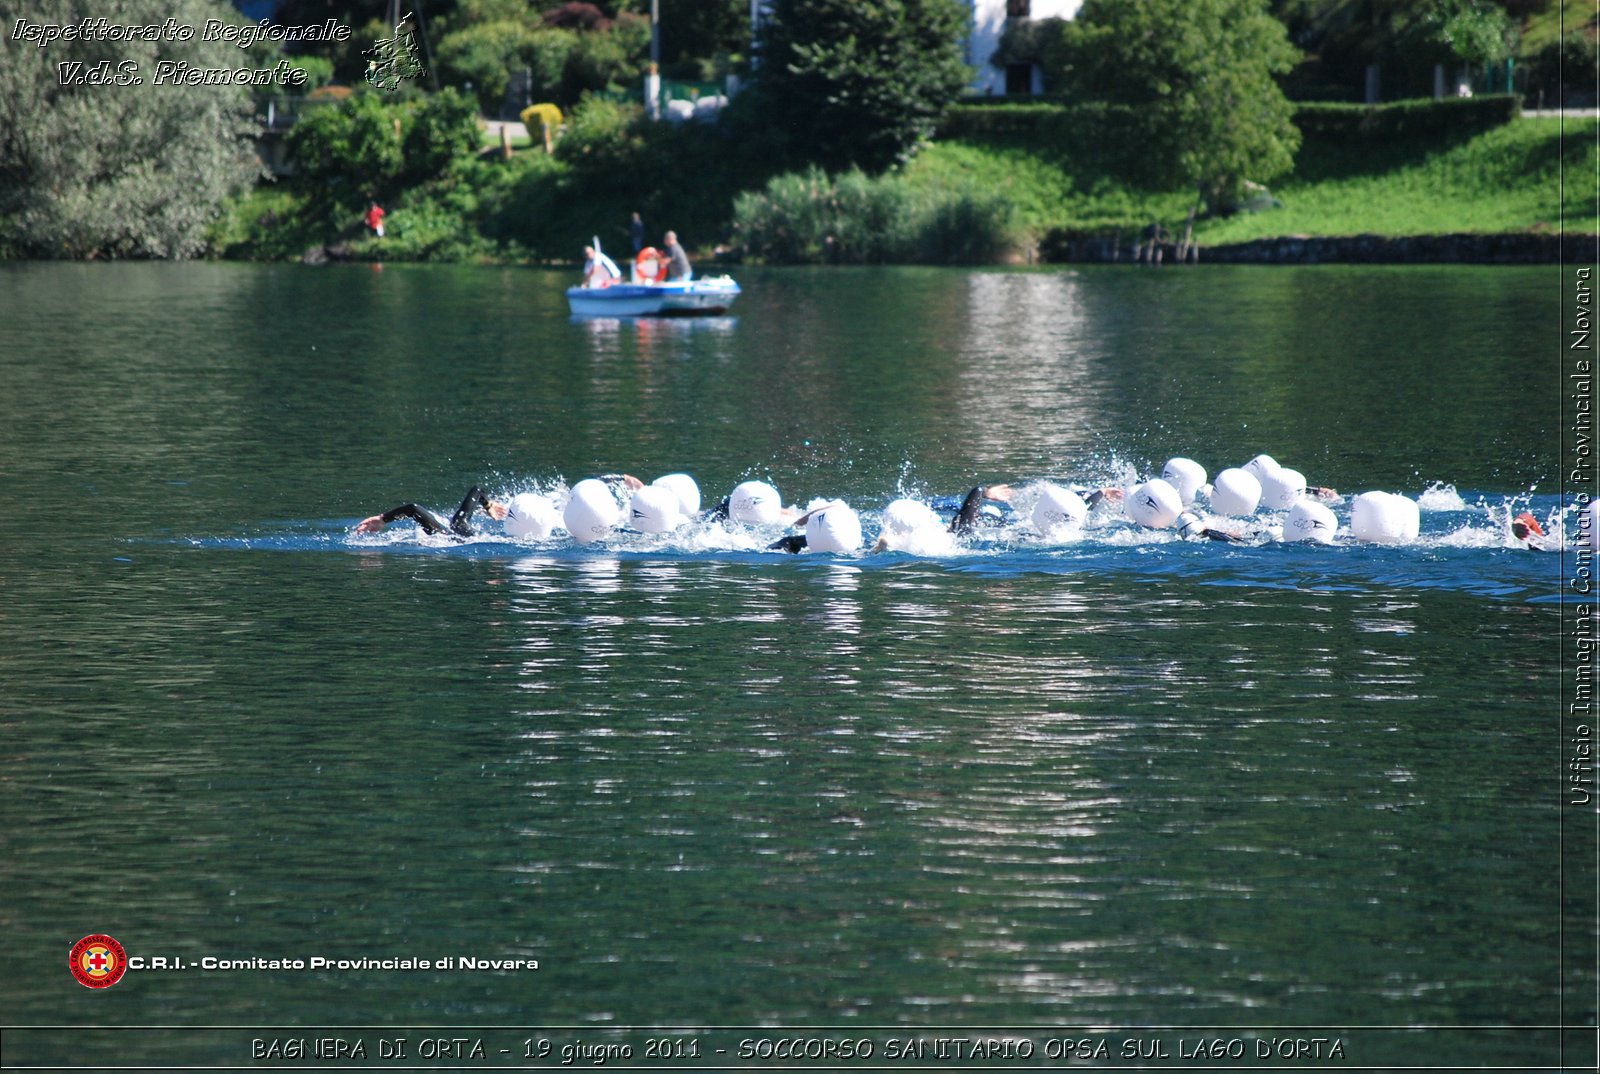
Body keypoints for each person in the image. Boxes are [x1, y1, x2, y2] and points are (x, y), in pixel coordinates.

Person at [356, 486, 508, 538]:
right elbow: (477, 489)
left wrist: (383, 519)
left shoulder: (442, 535)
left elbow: (413, 509)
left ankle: (489, 504)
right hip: (463, 532)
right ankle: (489, 504)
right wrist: (488, 505)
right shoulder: (457, 525)